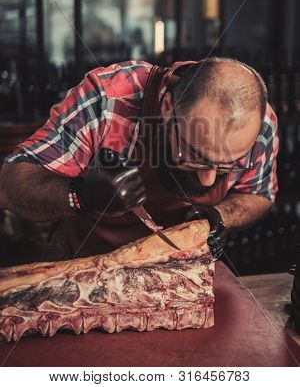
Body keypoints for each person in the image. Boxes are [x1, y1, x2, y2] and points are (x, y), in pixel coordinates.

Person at [0, 58, 279, 262]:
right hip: (82, 275)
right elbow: (10, 186)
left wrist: (219, 216)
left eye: (228, 164)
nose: (208, 179)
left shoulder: (259, 124)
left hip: (179, 286)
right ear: (168, 108)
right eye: (195, 155)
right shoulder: (108, 99)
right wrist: (81, 196)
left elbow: (259, 194)